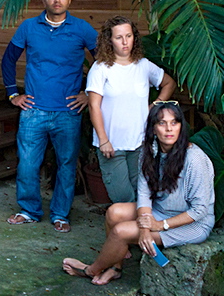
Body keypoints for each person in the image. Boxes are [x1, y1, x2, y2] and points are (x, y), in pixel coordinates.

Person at [63, 102, 215, 285]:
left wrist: (160, 226)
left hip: (191, 223)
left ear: (181, 127)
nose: (169, 129)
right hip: (160, 211)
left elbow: (199, 211)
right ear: (153, 128)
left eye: (174, 123)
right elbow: (144, 194)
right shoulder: (149, 152)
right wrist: (144, 229)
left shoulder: (194, 159)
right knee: (114, 212)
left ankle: (90, 270)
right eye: (162, 123)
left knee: (121, 231)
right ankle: (115, 268)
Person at [2, 0, 97, 233]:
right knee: (28, 164)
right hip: (33, 110)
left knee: (66, 164)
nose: (57, 0)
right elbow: (8, 59)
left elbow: (104, 63)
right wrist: (13, 94)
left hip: (68, 112)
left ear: (69, 0)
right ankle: (29, 210)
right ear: (43, 0)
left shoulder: (82, 29)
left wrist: (88, 94)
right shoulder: (29, 27)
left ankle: (60, 214)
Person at [86, 16, 176, 203]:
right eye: (119, 37)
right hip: (112, 145)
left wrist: (154, 105)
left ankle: (137, 232)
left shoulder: (143, 66)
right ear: (109, 40)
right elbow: (94, 106)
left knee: (142, 196)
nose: (125, 42)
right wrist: (103, 140)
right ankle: (126, 230)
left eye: (129, 35)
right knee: (123, 198)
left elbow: (168, 83)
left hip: (140, 143)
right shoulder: (101, 68)